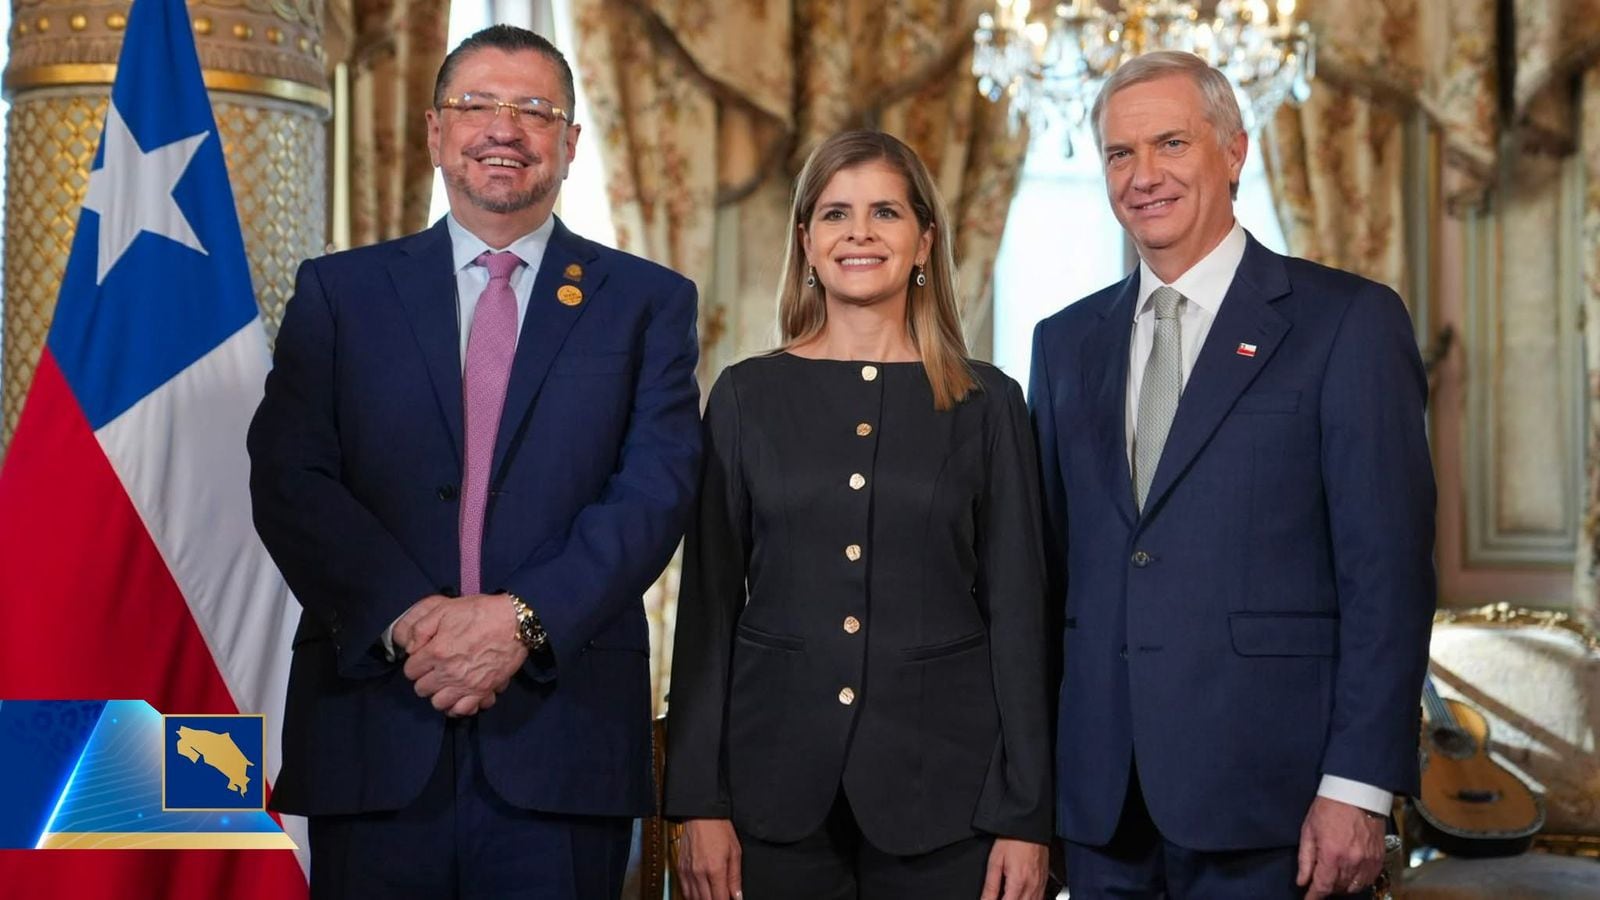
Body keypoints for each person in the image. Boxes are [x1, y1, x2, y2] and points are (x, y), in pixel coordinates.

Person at [247, 25, 701, 899]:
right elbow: (290, 477)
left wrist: (517, 623)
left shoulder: (647, 303)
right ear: (433, 132)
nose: (505, 127)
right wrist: (413, 620)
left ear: (570, 145)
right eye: (477, 105)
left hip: (559, 735)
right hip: (376, 722)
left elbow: (655, 490)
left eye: (535, 110)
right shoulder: (340, 292)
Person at [1028, 51, 1436, 899]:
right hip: (1101, 808)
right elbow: (1049, 579)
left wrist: (1358, 787)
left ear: (1234, 151)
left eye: (1171, 143)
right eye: (1119, 154)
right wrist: (1034, 800)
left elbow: (1386, 576)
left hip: (1279, 808)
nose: (1144, 176)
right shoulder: (1063, 344)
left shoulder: (1347, 324)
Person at [663, 130, 1053, 900]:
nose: (860, 233)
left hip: (949, 796)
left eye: (885, 212)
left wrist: (1028, 815)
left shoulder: (989, 403)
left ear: (924, 241)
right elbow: (707, 612)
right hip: (770, 792)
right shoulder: (746, 396)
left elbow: (1019, 618)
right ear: (806, 242)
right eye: (836, 214)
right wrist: (697, 802)